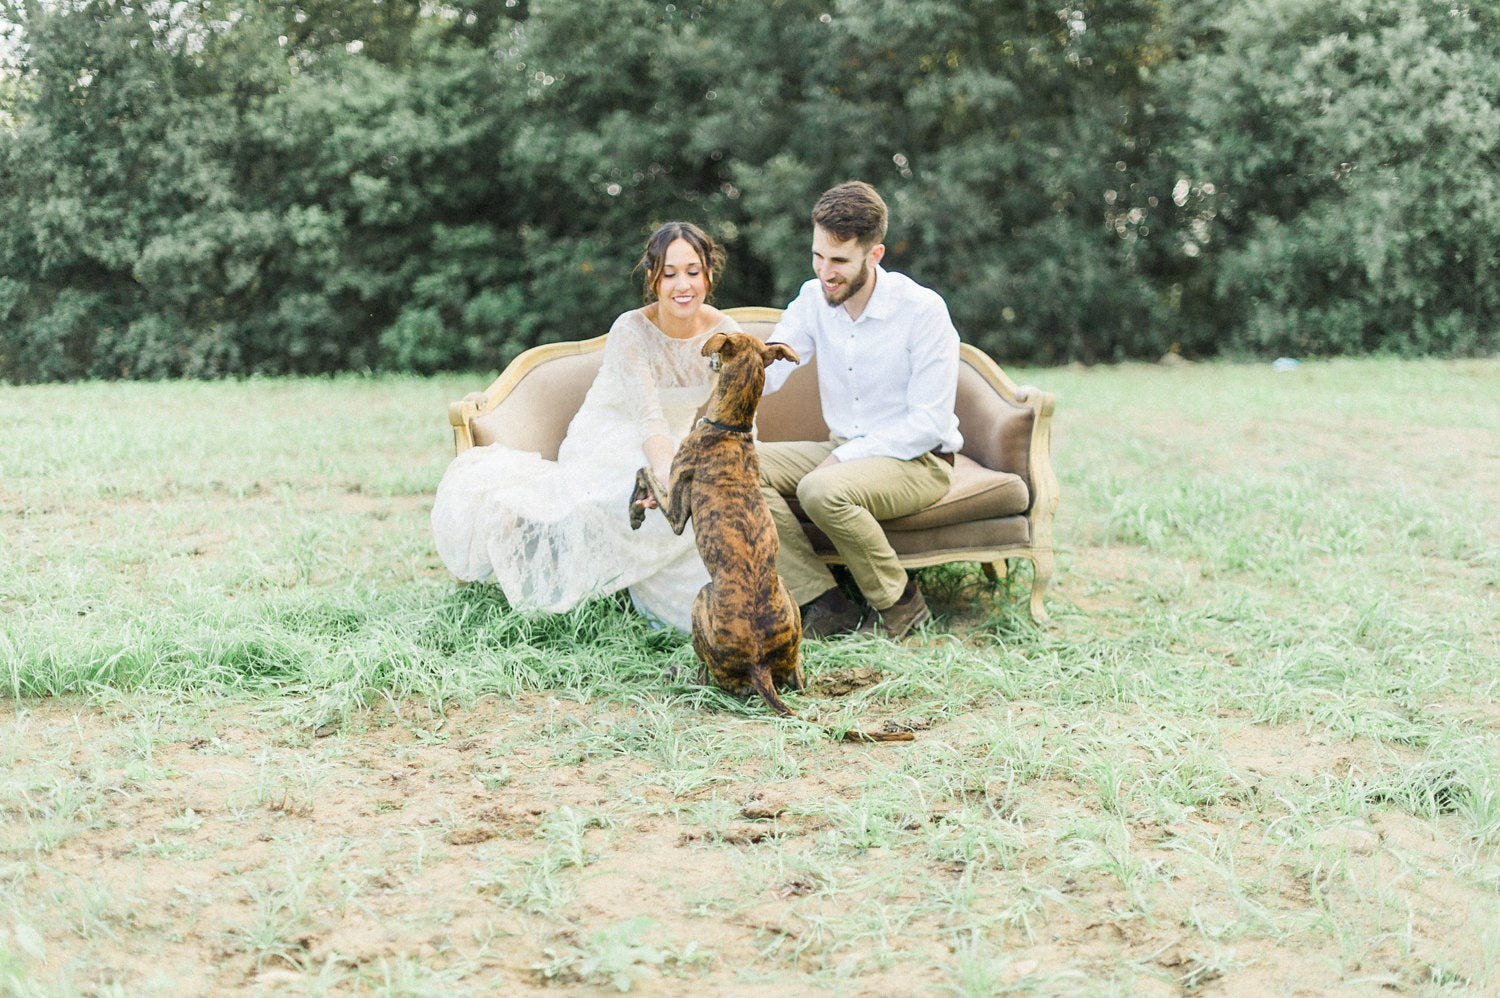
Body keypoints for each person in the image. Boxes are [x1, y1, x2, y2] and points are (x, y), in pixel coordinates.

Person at [430, 222, 738, 631]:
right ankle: (535, 530)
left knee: (701, 493)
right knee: (645, 491)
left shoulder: (727, 334)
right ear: (652, 279)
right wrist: (664, 478)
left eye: (693, 271)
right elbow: (648, 420)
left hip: (677, 441)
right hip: (610, 436)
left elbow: (726, 415)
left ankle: (708, 611)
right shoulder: (631, 329)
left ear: (709, 275)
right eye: (669, 273)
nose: (683, 284)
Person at [759, 181, 962, 639]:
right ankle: (824, 606)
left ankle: (903, 607)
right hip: (841, 449)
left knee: (822, 489)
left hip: (918, 459)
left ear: (875, 255)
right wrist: (732, 362)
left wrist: (844, 459)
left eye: (838, 261)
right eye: (817, 256)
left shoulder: (923, 310)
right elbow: (774, 362)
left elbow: (928, 423)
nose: (824, 272)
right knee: (734, 466)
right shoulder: (813, 298)